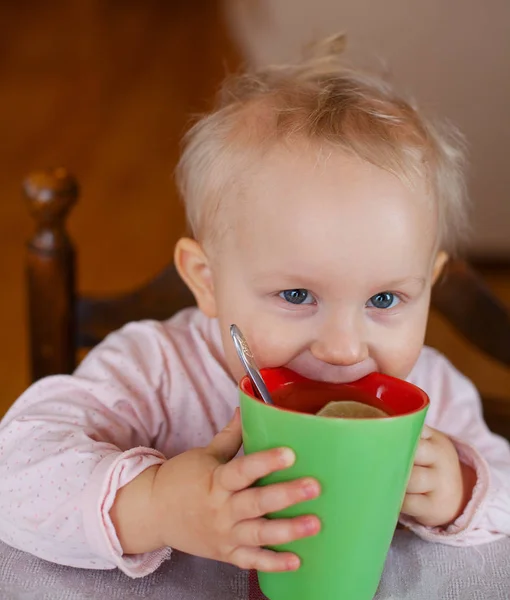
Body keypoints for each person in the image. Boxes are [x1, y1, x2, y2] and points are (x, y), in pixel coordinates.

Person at [0, 34, 509, 579]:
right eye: (296, 296)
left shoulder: (433, 396)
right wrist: (154, 505)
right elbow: (16, 469)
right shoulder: (157, 370)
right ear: (208, 281)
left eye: (385, 299)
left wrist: (462, 489)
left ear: (428, 285)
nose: (343, 349)